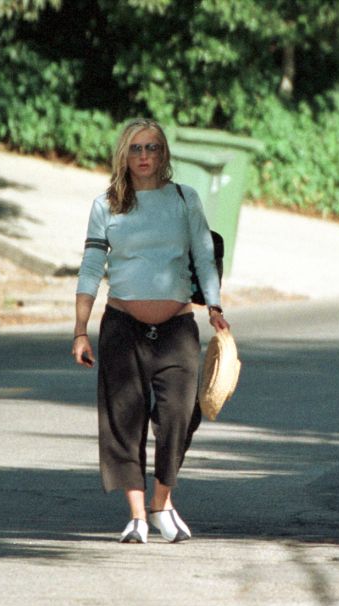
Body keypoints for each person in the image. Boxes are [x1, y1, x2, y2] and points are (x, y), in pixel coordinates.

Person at [71, 118, 230, 544]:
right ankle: (138, 515)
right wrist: (80, 330)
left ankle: (162, 500)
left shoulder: (184, 199)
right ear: (124, 154)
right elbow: (90, 269)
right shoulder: (107, 205)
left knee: (181, 413)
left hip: (177, 326)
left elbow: (203, 254)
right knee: (124, 420)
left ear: (164, 154)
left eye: (153, 148)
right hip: (122, 326)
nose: (145, 156)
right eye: (137, 148)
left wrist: (214, 305)